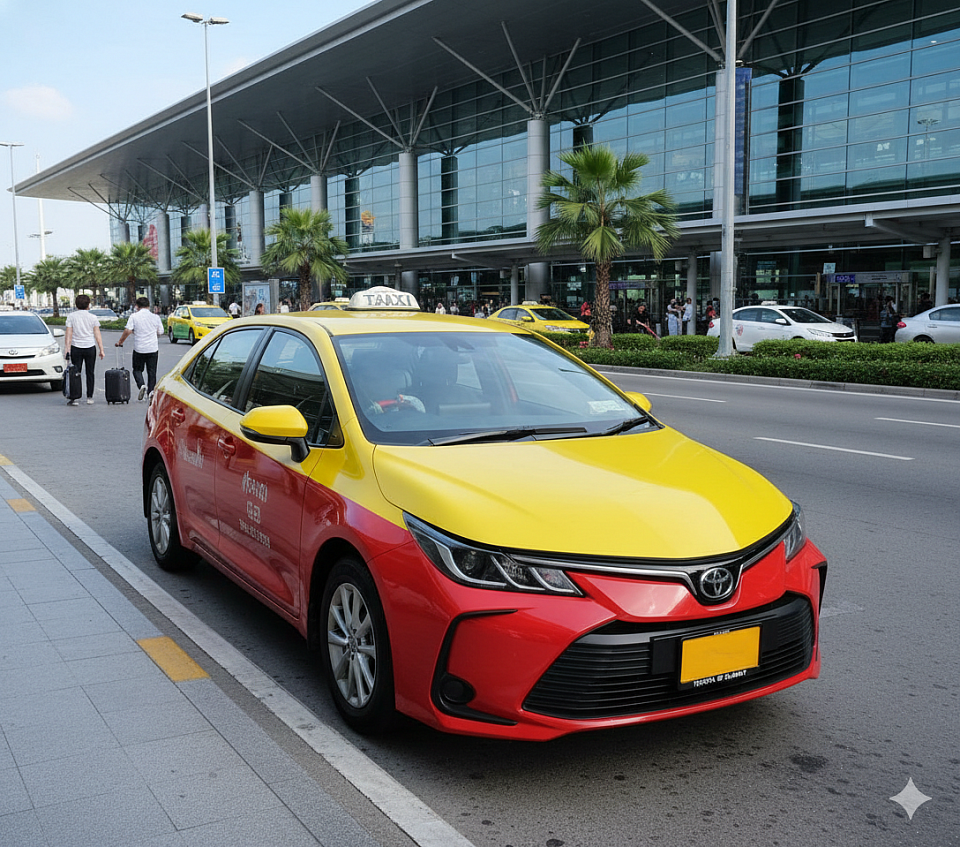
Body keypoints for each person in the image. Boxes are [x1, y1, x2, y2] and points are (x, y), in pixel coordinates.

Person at [116, 296, 164, 401]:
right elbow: (160, 332)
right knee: (152, 372)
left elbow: (128, 330)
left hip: (139, 348)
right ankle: (151, 392)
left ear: (137, 306)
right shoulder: (155, 317)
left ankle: (141, 385)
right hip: (152, 348)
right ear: (148, 306)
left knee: (137, 370)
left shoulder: (134, 317)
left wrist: (120, 342)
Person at [63, 294, 105, 405]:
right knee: (90, 372)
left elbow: (68, 334)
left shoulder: (71, 316)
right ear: (88, 305)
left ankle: (75, 397)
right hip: (90, 347)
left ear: (76, 305)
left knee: (76, 372)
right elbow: (97, 334)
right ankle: (89, 397)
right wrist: (101, 349)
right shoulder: (93, 317)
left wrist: (67, 349)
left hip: (76, 347)